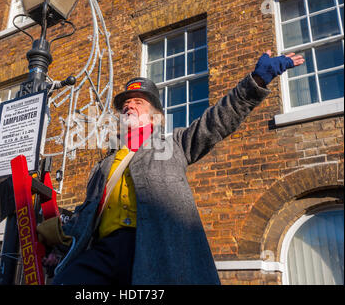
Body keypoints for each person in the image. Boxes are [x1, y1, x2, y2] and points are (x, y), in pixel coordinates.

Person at [38, 50, 305, 285]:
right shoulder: (105, 163)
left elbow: (218, 121)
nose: (128, 106)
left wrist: (256, 82)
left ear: (156, 118)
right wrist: (63, 248)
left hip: (156, 247)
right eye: (125, 106)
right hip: (104, 250)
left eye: (138, 103)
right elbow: (88, 215)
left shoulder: (175, 144)